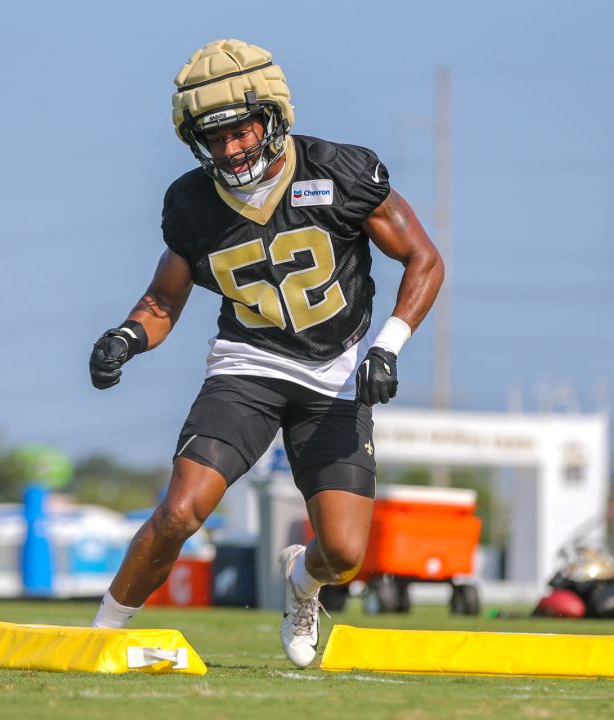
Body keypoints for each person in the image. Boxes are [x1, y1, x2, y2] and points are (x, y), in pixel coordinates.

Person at [86, 39, 443, 669]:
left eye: (241, 131)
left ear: (273, 117)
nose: (230, 150)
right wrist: (126, 337)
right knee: (179, 510)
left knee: (343, 553)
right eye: (214, 138)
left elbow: (424, 259)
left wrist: (389, 345)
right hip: (247, 365)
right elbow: (163, 300)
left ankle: (301, 582)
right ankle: (102, 634)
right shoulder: (192, 204)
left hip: (335, 376)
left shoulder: (340, 172)